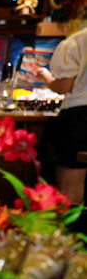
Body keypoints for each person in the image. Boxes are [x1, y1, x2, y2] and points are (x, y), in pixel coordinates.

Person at [36, 25, 87, 205]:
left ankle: (71, 231)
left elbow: (64, 86)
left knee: (70, 194)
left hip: (80, 119)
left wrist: (46, 76)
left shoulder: (77, 42)